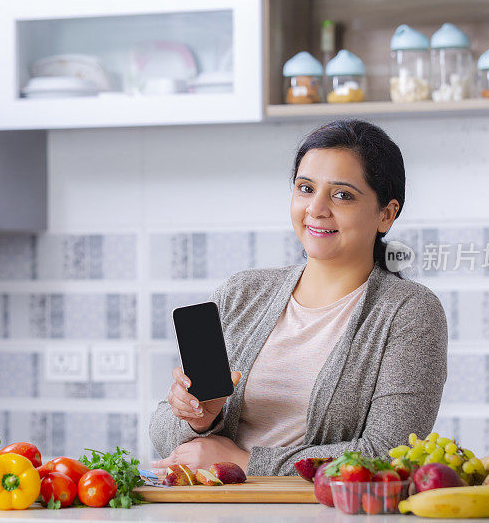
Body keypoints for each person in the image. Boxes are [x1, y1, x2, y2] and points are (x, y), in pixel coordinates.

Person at [149, 119, 448, 476]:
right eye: (305, 188)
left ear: (386, 214)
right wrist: (198, 417)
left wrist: (246, 462)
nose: (316, 208)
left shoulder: (409, 311)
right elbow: (163, 433)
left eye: (342, 194)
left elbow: (388, 454)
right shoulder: (242, 293)